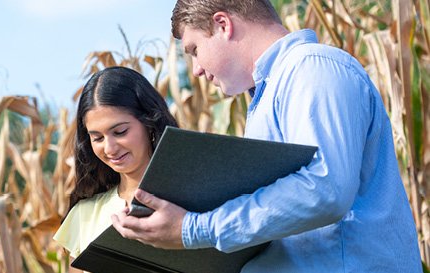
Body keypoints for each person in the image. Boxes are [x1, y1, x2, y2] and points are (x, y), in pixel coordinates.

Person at [110, 0, 421, 272]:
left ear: (222, 25)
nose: (196, 71)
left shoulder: (312, 69)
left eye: (195, 50)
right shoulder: (268, 95)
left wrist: (194, 229)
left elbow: (326, 189)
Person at [53, 66, 178, 272]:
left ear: (150, 122)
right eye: (98, 138)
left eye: (120, 131)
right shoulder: (84, 215)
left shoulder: (189, 200)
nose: (110, 148)